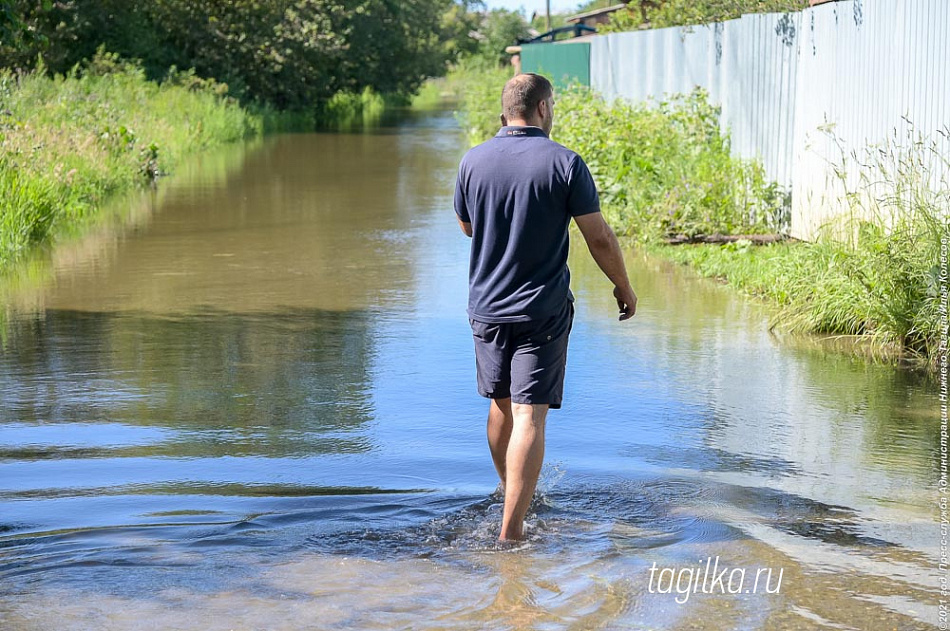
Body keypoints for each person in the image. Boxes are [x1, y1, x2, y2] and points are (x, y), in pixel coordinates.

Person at [453, 72, 638, 541]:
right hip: (542, 309)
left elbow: (467, 227)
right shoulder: (565, 163)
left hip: (487, 306)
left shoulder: (472, 161)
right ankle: (511, 531)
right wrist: (623, 286)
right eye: (551, 106)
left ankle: (508, 493)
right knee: (530, 415)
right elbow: (598, 236)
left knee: (500, 406)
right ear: (542, 108)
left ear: (504, 111)